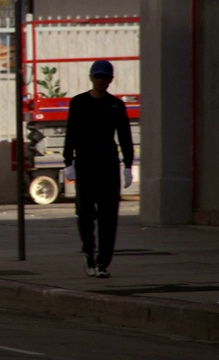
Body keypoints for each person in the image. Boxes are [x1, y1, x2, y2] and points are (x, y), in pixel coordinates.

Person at [62, 60, 134, 279]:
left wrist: (128, 165)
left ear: (111, 79)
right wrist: (68, 161)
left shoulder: (116, 105)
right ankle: (89, 253)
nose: (102, 81)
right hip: (85, 164)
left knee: (108, 217)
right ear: (91, 78)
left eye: (105, 77)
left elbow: (124, 135)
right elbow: (71, 132)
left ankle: (103, 262)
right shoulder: (79, 103)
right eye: (98, 77)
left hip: (109, 165)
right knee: (84, 213)